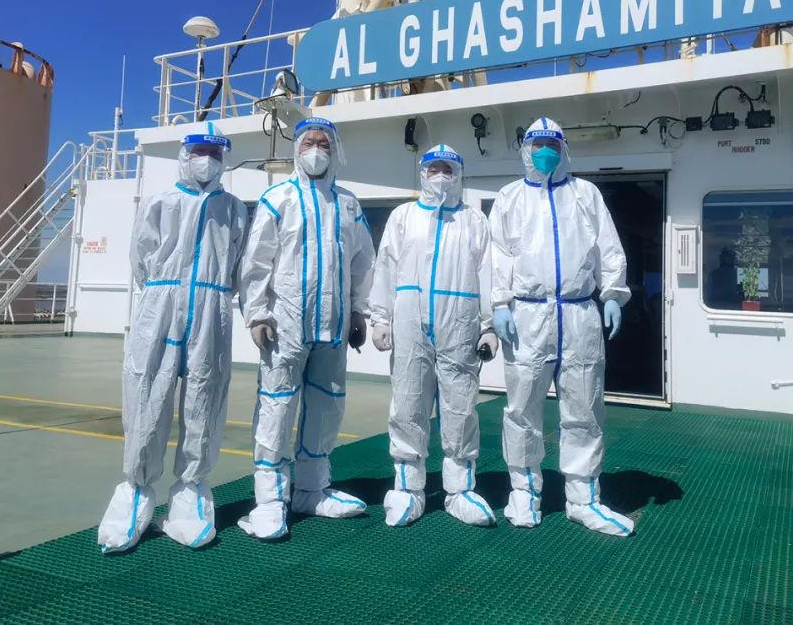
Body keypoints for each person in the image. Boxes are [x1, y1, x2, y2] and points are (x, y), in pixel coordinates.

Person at [98, 127, 247, 552]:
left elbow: (238, 263)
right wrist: (166, 293)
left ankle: (190, 495)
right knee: (147, 395)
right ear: (185, 155)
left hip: (212, 308)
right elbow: (141, 260)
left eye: (214, 152)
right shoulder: (159, 202)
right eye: (199, 150)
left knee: (205, 398)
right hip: (160, 305)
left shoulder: (234, 209)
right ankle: (135, 494)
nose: (207, 159)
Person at [489, 117, 635, 536]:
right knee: (522, 409)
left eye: (552, 144)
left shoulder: (585, 194)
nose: (545, 151)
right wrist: (499, 303)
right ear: (526, 149)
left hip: (578, 313)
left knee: (584, 407)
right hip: (526, 315)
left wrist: (612, 294)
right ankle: (523, 492)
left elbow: (608, 247)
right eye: (537, 144)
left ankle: (583, 499)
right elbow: (497, 255)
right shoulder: (510, 197)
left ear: (563, 148)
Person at [239, 117, 375, 540]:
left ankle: (312, 490)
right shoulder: (277, 198)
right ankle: (269, 499)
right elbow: (256, 262)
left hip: (333, 327)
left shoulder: (348, 204)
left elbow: (362, 262)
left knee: (326, 407)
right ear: (296, 150)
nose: (316, 150)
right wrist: (257, 314)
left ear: (334, 151)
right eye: (309, 143)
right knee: (277, 408)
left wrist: (358, 311)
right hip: (285, 326)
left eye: (324, 144)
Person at [370, 145, 499, 527]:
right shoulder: (404, 217)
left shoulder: (473, 220)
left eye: (448, 169)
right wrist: (380, 317)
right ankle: (408, 489)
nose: (440, 175)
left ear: (459, 174)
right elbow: (386, 266)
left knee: (461, 405)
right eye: (433, 168)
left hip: (459, 323)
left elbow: (488, 273)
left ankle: (460, 490)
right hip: (410, 323)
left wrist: (489, 325)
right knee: (408, 403)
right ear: (423, 173)